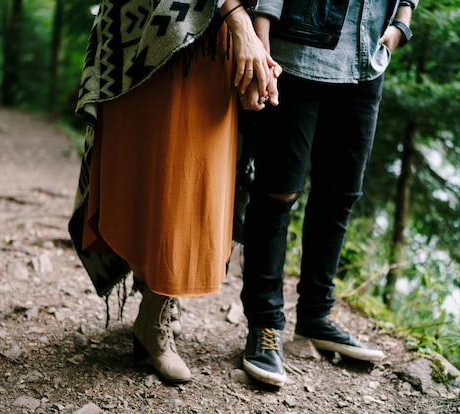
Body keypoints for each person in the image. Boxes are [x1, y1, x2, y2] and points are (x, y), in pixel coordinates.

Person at [68, 0, 281, 384]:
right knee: (150, 172)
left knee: (192, 179)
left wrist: (257, 45)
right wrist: (237, 18)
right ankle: (154, 304)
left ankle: (157, 307)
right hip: (150, 27)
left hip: (217, 40)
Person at [237, 0, 418, 387]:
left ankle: (317, 315)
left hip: (367, 59)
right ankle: (265, 325)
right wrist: (261, 39)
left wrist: (402, 21)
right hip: (296, 55)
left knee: (340, 195)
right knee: (276, 195)